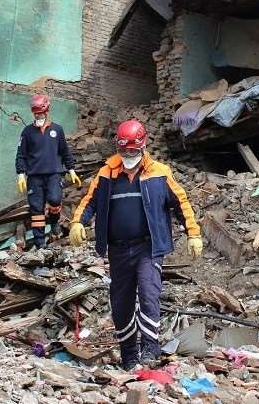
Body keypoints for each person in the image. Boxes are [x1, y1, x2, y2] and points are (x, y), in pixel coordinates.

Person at [69, 119, 203, 369]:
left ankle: (150, 352)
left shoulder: (159, 173)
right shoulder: (107, 173)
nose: (128, 155)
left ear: (142, 146)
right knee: (121, 304)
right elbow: (90, 201)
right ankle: (129, 356)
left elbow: (180, 202)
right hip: (118, 249)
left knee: (149, 294)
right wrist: (78, 222)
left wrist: (193, 233)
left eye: (133, 150)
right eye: (124, 151)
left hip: (148, 247)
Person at [15, 94, 81, 249]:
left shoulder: (57, 130)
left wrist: (71, 169)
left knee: (55, 199)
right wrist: (20, 174)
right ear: (33, 113)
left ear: (47, 111)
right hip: (34, 177)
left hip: (53, 174)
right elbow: (21, 155)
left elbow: (65, 152)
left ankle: (54, 221)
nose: (39, 115)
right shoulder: (27, 132)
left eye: (41, 113)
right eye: (36, 113)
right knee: (36, 209)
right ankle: (40, 245)